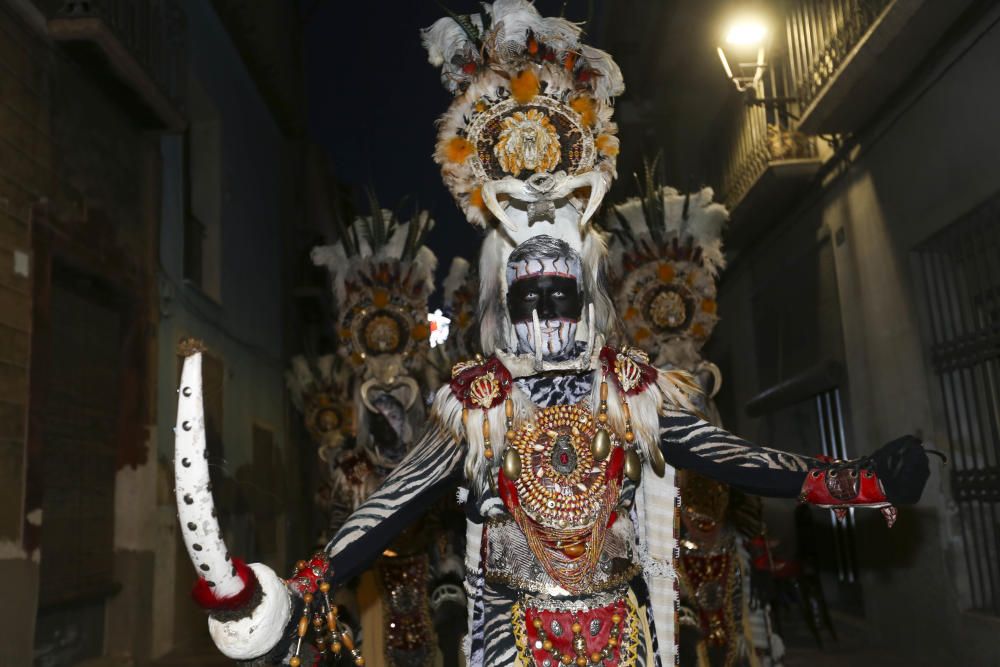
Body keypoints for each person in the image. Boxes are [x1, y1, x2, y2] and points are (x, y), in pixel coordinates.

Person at [172, 3, 934, 665]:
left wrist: (850, 481)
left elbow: (726, 455)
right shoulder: (479, 404)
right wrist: (296, 589)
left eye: (561, 287)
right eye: (529, 290)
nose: (547, 307)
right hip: (514, 638)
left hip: (625, 636)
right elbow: (396, 501)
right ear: (504, 297)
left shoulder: (627, 389)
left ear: (589, 291)